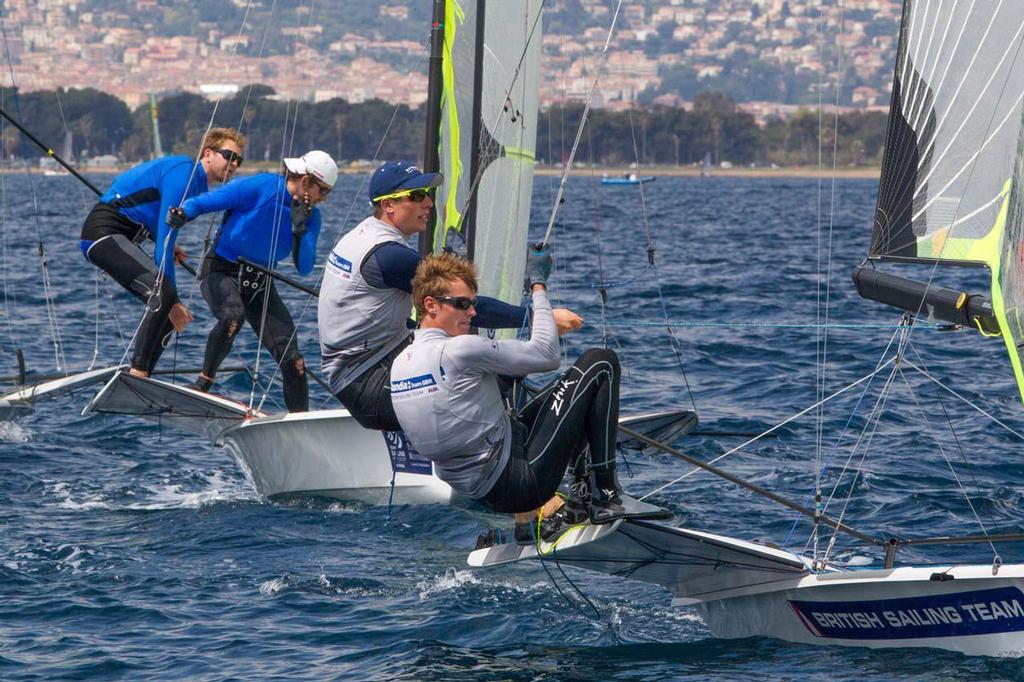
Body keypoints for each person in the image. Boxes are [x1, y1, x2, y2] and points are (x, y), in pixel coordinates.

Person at [390, 251, 671, 545]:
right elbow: (547, 355)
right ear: (430, 305)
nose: (472, 312)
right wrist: (538, 286)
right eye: (462, 304)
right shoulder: (459, 350)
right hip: (519, 483)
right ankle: (608, 497)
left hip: (482, 493)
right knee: (599, 363)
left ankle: (541, 519)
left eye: (473, 304)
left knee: (559, 388)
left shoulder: (402, 363)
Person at [318, 160, 583, 431]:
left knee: (465, 343)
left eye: (428, 195)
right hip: (368, 388)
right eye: (417, 196)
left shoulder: (363, 235)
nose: (429, 204)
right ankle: (509, 443)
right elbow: (461, 303)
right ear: (388, 206)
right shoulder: (389, 256)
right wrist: (538, 317)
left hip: (365, 367)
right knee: (490, 361)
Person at [168, 150, 336, 412]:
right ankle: (202, 384)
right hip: (221, 272)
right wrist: (182, 213)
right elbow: (203, 203)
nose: (324, 199)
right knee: (234, 315)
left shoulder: (311, 217)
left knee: (295, 362)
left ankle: (300, 423)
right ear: (305, 182)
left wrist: (300, 231)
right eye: (323, 191)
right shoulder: (259, 187)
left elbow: (304, 268)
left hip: (260, 285)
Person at [79, 127, 245, 377]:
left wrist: (162, 241)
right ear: (208, 153)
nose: (233, 164)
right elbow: (164, 246)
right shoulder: (184, 174)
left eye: (238, 160)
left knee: (167, 304)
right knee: (164, 293)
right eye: (228, 156)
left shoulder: (197, 187)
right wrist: (173, 297)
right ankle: (138, 373)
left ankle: (144, 376)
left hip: (124, 236)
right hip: (102, 233)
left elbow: (158, 225)